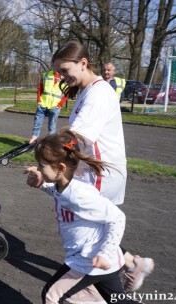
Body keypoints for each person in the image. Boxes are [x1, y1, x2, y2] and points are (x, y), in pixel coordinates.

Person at [25, 41, 153, 293]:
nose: (61, 77)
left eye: (64, 70)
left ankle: (116, 277)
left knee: (93, 233)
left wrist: (47, 151)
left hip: (99, 174)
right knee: (95, 232)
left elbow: (78, 136)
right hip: (92, 170)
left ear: (83, 63)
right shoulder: (87, 90)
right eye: (58, 72)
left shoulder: (98, 93)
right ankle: (131, 265)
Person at [34, 130, 140, 304]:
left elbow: (117, 218)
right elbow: (60, 195)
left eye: (41, 165)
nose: (39, 168)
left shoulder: (79, 194)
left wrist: (104, 253)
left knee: (51, 296)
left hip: (89, 261)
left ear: (61, 168)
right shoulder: (65, 186)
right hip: (102, 262)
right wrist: (42, 184)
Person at [29, 70, 68, 144]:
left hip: (55, 106)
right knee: (37, 124)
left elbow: (67, 94)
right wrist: (39, 100)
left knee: (52, 128)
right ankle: (33, 143)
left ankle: (51, 145)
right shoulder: (45, 75)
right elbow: (40, 88)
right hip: (43, 104)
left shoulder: (66, 77)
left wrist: (59, 104)